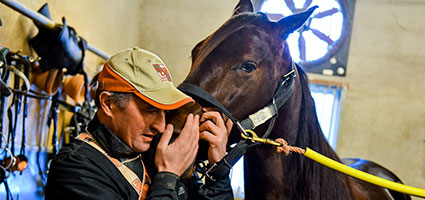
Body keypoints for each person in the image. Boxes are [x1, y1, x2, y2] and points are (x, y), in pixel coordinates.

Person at [45, 47, 234, 199]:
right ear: (108, 104)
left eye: (164, 111)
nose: (160, 126)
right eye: (150, 111)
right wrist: (167, 177)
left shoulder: (151, 152)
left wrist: (218, 170)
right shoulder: (75, 169)